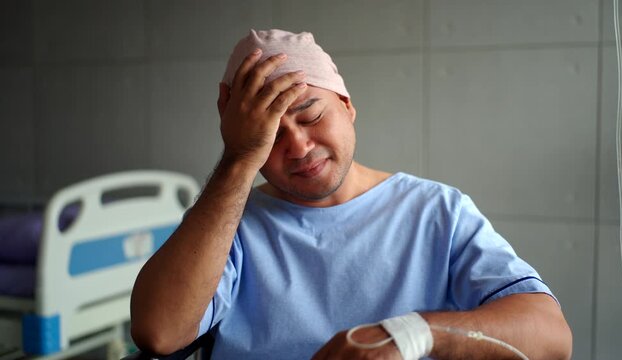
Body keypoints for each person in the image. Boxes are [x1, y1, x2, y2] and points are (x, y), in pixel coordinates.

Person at [130, 29, 572, 360]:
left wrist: (413, 333)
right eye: (268, 136)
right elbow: (158, 333)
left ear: (346, 104)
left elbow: (552, 338)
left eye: (310, 114)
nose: (299, 147)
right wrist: (238, 158)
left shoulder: (437, 213)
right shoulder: (231, 228)